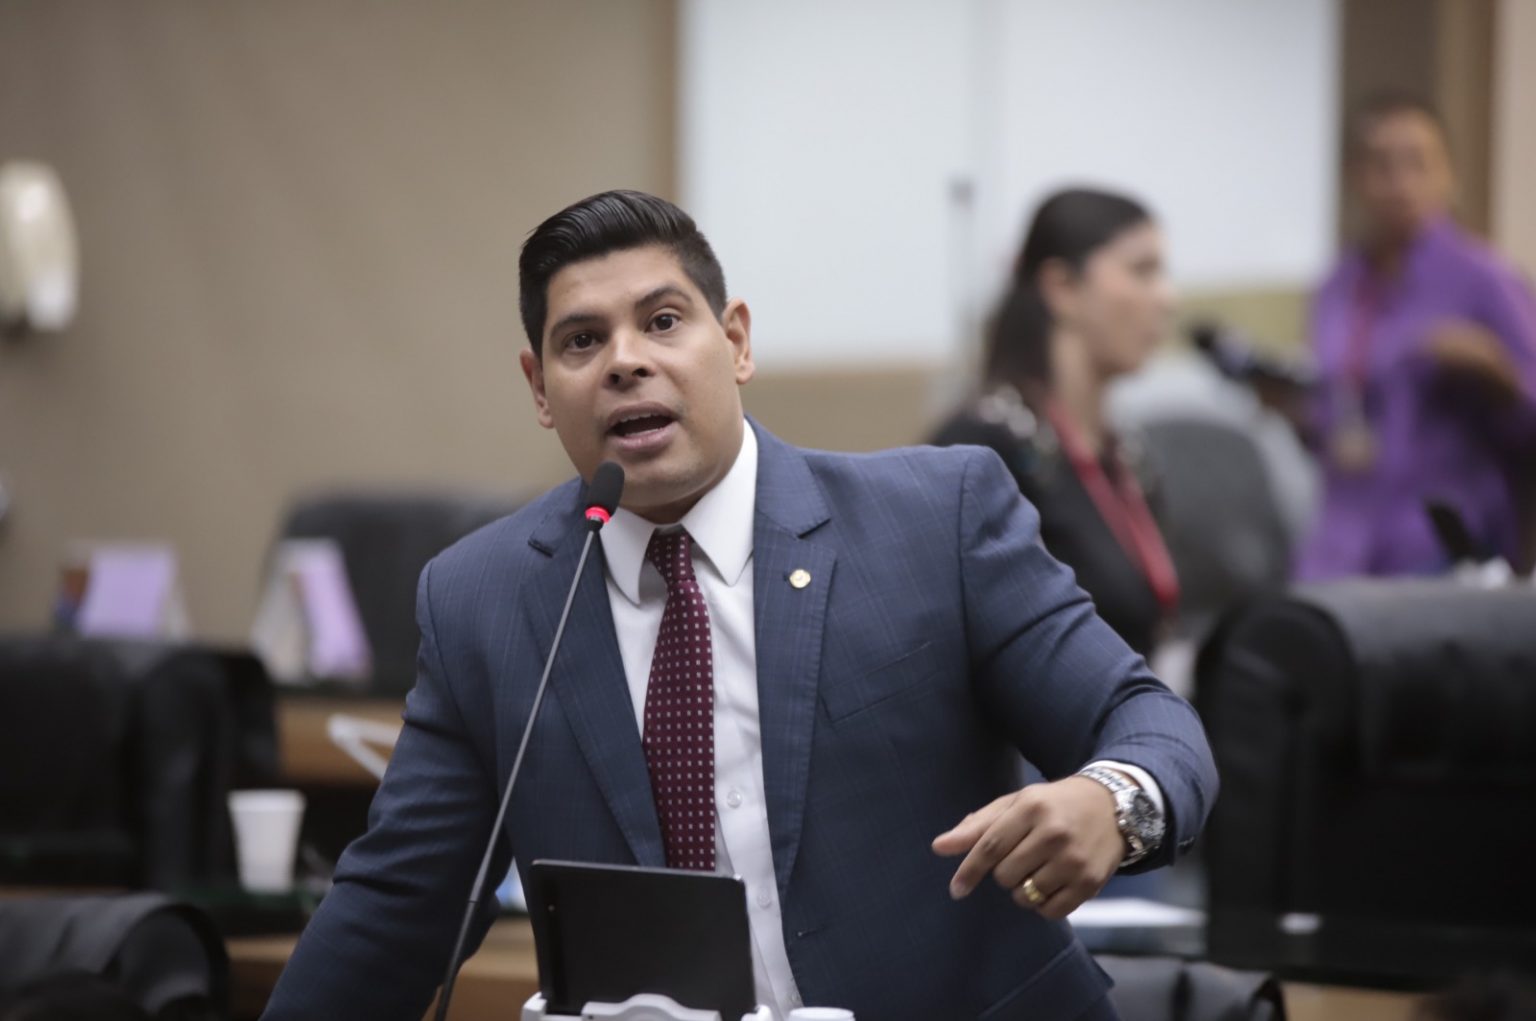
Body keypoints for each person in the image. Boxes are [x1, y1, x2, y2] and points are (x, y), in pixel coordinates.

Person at [262, 190, 1216, 1021]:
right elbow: (394, 911)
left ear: (738, 341)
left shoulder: (935, 520)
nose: (625, 362)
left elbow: (1147, 721)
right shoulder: (487, 600)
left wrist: (1113, 799)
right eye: (581, 341)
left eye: (664, 320)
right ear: (540, 390)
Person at [1296, 92, 1536, 579]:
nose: (1400, 184)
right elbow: (1332, 408)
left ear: (1450, 175)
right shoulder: (1337, 286)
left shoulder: (1483, 279)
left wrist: (1496, 371)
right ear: (1355, 178)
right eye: (1382, 166)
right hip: (1343, 539)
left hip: (1440, 542)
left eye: (1418, 164)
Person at [931, 189, 1178, 657]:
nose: (1168, 297)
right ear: (1062, 287)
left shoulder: (1128, 453)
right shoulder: (982, 449)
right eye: (1142, 271)